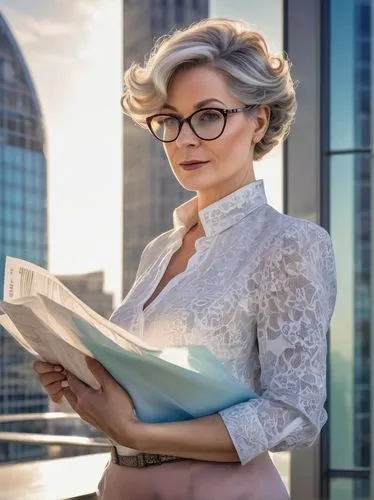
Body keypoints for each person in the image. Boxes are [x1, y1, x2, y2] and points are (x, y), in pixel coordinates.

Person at [33, 17, 337, 500]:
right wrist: (80, 386)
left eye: (209, 114)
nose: (185, 138)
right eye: (170, 119)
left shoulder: (291, 243)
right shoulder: (160, 249)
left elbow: (294, 414)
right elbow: (143, 398)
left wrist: (140, 436)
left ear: (258, 120)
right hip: (120, 485)